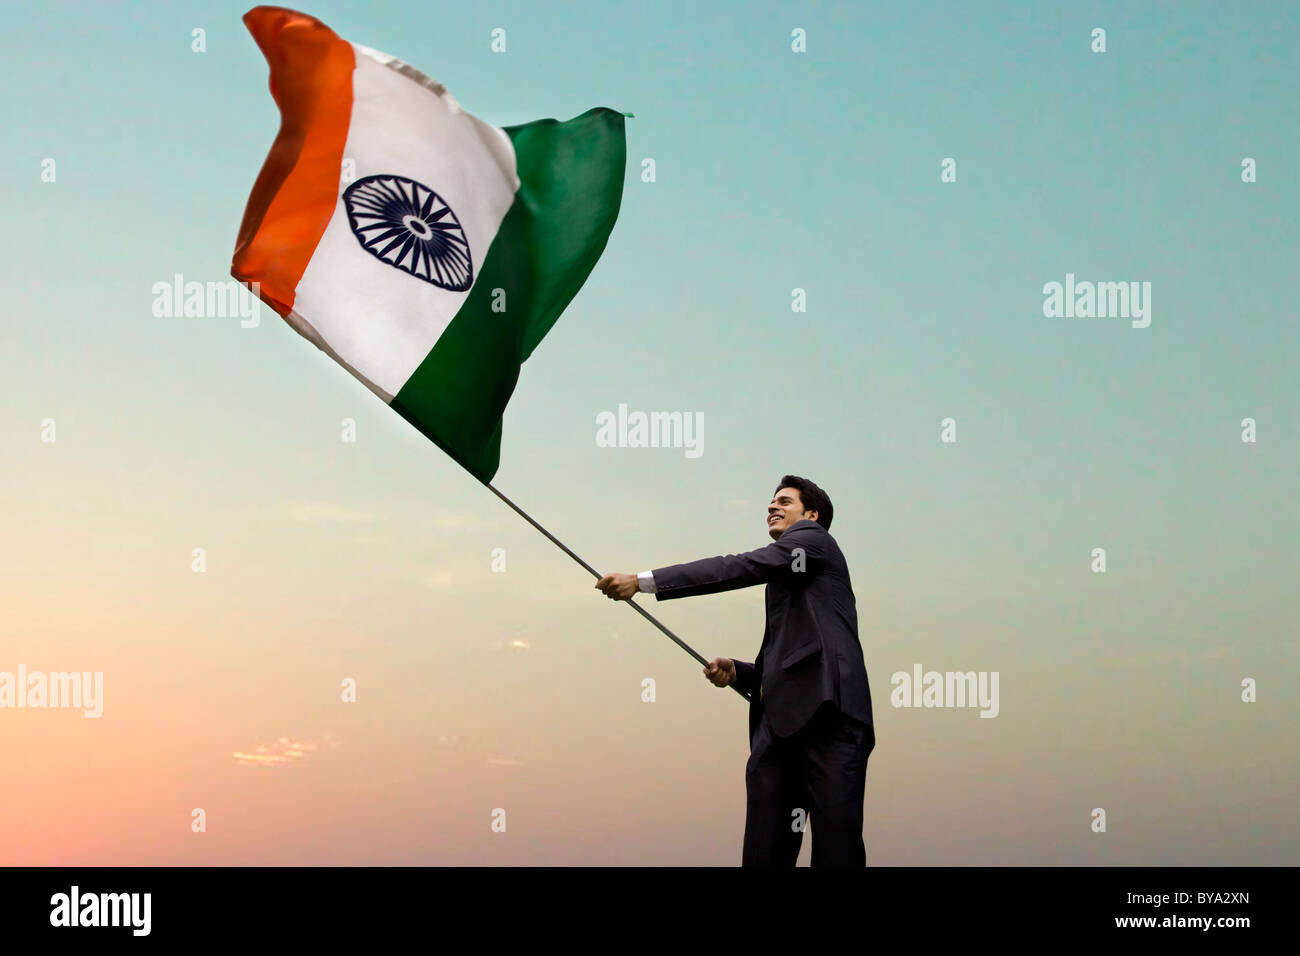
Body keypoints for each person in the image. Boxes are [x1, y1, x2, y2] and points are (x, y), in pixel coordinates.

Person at [595, 475, 875, 866]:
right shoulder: (789, 575)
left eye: (784, 501)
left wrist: (644, 582)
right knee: (764, 852)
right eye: (770, 501)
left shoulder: (815, 540)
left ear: (811, 515)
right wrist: (743, 673)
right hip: (778, 730)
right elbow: (791, 654)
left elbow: (741, 566)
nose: (771, 507)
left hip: (828, 716)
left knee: (835, 849)